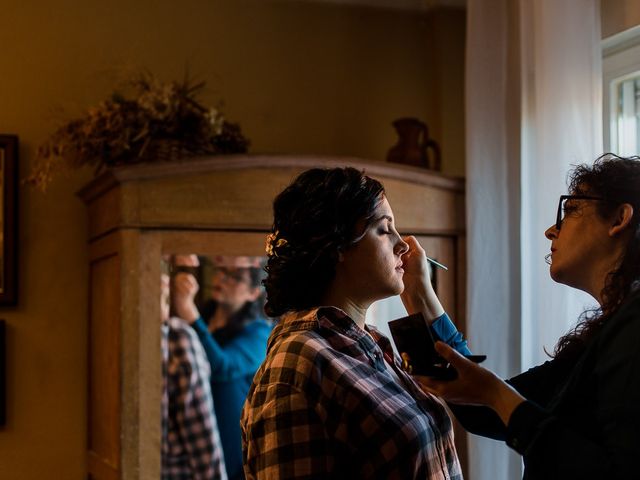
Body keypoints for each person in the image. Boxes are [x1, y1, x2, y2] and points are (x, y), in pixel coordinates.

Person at [404, 154, 640, 479]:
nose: (549, 231)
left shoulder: (633, 327)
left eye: (570, 210)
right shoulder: (600, 338)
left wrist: (495, 395)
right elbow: (481, 412)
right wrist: (419, 295)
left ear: (619, 219)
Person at [240, 167, 463, 479]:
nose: (405, 246)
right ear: (338, 244)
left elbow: (463, 387)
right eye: (385, 230)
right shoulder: (295, 366)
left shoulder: (370, 343)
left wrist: (422, 295)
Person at [172, 255, 273, 480]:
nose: (223, 279)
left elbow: (222, 367)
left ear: (253, 293)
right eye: (222, 271)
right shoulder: (205, 316)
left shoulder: (259, 333)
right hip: (193, 426)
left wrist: (188, 312)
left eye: (235, 277)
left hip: (229, 441)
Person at [160, 271, 227, 480]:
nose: (195, 262)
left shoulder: (257, 330)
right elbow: (203, 445)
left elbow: (224, 367)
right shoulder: (177, 338)